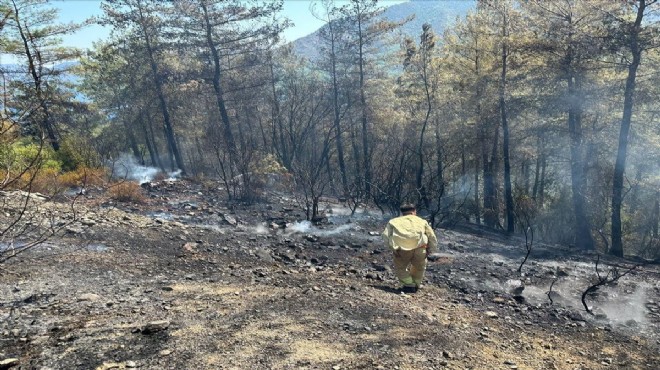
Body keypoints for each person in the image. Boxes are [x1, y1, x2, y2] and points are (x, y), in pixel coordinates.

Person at [381, 203, 438, 293]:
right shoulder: (422, 221)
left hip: (402, 250)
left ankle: (408, 284)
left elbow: (385, 236)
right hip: (421, 248)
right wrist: (431, 249)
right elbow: (431, 236)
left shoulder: (393, 221)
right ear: (414, 211)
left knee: (401, 268)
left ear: (402, 212)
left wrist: (392, 248)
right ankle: (415, 285)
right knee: (419, 268)